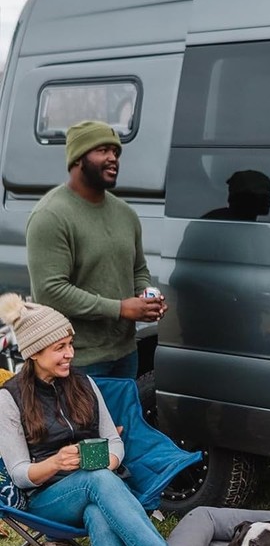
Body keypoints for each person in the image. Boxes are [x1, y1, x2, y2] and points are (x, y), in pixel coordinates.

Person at [0, 294, 214, 546]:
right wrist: (55, 464)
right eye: (59, 347)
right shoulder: (10, 398)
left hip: (100, 488)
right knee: (101, 484)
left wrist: (108, 460)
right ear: (34, 352)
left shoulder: (83, 384)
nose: (70, 354)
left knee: (102, 508)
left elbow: (114, 443)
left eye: (70, 345)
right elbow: (18, 473)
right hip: (48, 500)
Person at [26, 120, 166, 381]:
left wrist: (147, 297)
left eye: (116, 152)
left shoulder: (125, 214)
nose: (113, 158)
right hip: (76, 359)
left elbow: (138, 269)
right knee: (83, 425)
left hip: (125, 354)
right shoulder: (51, 215)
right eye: (103, 151)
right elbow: (51, 291)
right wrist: (121, 308)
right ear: (78, 158)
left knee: (120, 424)